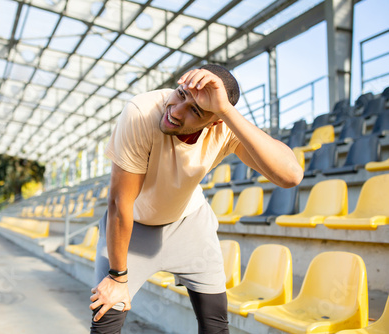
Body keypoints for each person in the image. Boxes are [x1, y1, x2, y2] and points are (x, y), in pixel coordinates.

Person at [89, 64, 303, 333]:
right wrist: (118, 277)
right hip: (133, 227)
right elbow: (120, 204)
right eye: (180, 94)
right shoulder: (141, 112)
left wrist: (226, 111)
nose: (175, 111)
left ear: (214, 121)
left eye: (195, 111)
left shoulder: (223, 127)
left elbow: (291, 176)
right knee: (105, 319)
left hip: (188, 225)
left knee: (215, 324)